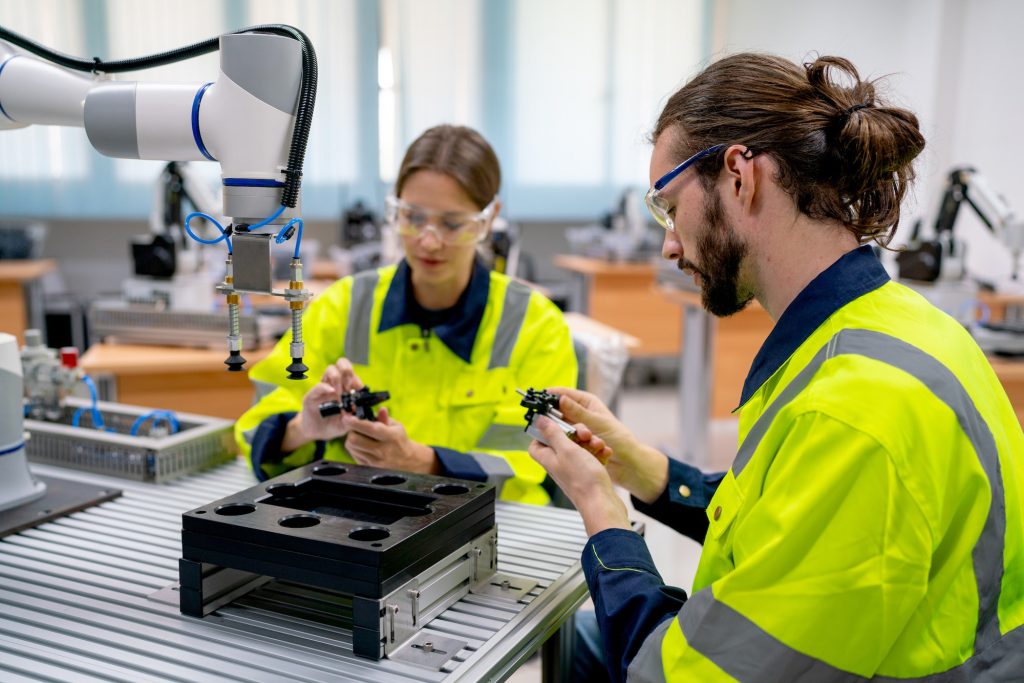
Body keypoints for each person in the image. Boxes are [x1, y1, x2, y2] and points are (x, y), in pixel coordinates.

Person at [528, 54, 1024, 681]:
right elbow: (784, 525)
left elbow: (685, 675)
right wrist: (640, 467)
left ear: (738, 175)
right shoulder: (892, 327)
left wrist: (602, 512)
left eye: (667, 206)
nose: (668, 243)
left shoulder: (854, 409)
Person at [235, 124, 578, 504]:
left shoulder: (534, 326)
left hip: (480, 532)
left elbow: (541, 467)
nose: (429, 240)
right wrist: (304, 427)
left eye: (451, 224)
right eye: (413, 218)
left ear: (488, 217)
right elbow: (253, 427)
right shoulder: (345, 305)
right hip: (349, 521)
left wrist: (426, 463)